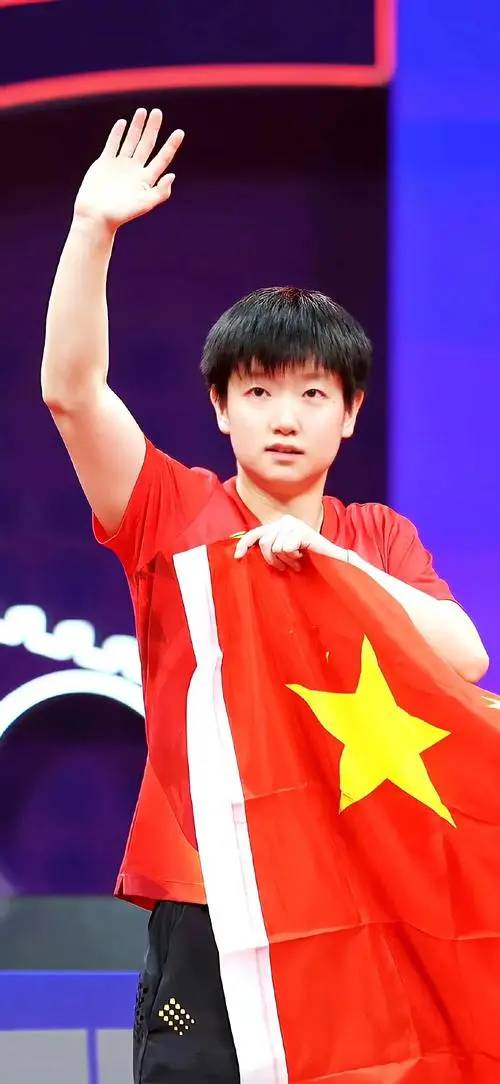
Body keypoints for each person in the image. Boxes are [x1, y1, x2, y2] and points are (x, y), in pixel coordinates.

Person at [41, 108, 489, 1083]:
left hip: (348, 902)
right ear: (219, 406)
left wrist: (329, 564)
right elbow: (72, 393)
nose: (285, 417)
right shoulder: (168, 510)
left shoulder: (375, 538)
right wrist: (91, 229)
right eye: (257, 392)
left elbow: (464, 654)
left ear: (350, 413)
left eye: (312, 394)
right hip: (207, 897)